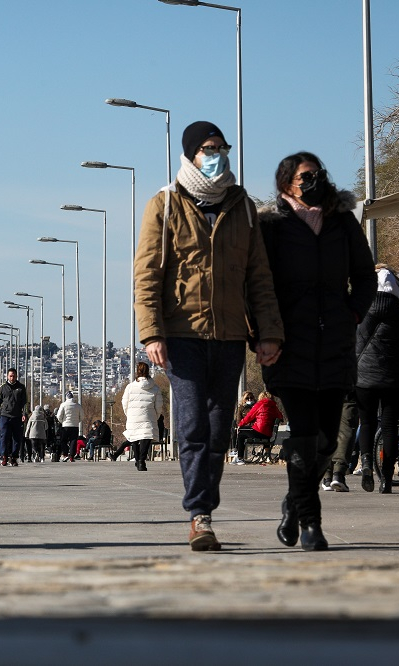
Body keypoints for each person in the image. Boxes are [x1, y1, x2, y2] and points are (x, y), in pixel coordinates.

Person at [134, 121, 284, 551]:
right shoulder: (164, 204)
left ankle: (205, 509)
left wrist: (268, 333)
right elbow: (147, 276)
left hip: (230, 335)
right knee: (193, 424)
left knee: (220, 429)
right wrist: (151, 334)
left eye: (222, 147)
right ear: (190, 154)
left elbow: (259, 277)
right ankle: (200, 516)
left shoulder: (243, 208)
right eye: (208, 148)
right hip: (180, 335)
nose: (217, 153)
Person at [258, 152, 377, 549]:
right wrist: (262, 334)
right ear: (286, 184)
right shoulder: (271, 226)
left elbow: (364, 274)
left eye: (318, 174)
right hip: (288, 346)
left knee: (327, 440)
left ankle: (293, 503)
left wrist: (354, 313)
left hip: (335, 344)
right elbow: (256, 286)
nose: (313, 181)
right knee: (305, 435)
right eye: (305, 177)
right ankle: (311, 522)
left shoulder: (341, 221)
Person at [356, 265, 399, 494]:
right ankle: (386, 478)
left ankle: (366, 463)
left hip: (364, 378)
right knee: (388, 427)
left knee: (366, 422)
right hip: (394, 380)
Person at [121, 362, 164, 471]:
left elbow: (124, 402)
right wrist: (156, 416)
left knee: (134, 438)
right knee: (146, 437)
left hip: (133, 415)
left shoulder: (130, 387)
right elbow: (159, 405)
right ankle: (141, 461)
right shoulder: (155, 387)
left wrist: (128, 413)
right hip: (148, 415)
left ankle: (137, 460)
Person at [234, 391, 284, 465]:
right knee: (252, 431)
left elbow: (249, 417)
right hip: (268, 435)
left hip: (258, 431)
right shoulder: (274, 407)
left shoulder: (260, 404)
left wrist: (240, 425)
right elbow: (281, 417)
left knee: (241, 434)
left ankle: (239, 457)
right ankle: (267, 456)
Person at [0, 368, 28, 466]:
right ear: (7, 376)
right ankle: (4, 456)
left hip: (17, 416)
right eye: (10, 376)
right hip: (5, 416)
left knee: (17, 438)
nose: (12, 378)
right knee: (4, 437)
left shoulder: (21, 388)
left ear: (16, 376)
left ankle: (14, 457)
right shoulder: (3, 388)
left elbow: (25, 402)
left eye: (14, 376)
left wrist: (24, 414)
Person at [55, 391, 83, 462]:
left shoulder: (63, 405)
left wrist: (62, 422)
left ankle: (65, 454)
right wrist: (77, 421)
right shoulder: (78, 405)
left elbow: (59, 416)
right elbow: (82, 416)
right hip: (75, 426)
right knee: (73, 441)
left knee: (63, 440)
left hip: (65, 426)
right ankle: (72, 456)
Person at [231, 391, 257, 461]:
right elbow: (238, 420)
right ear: (244, 399)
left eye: (251, 398)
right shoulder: (241, 408)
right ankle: (235, 449)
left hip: (253, 428)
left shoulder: (256, 407)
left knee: (240, 432)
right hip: (243, 426)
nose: (249, 400)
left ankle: (238, 455)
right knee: (236, 427)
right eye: (247, 398)